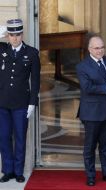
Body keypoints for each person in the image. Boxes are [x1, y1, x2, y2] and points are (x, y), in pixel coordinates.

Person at [76, 35, 106, 186]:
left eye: (102, 47)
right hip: (91, 112)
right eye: (96, 48)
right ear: (89, 49)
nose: (100, 50)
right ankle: (90, 176)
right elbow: (87, 88)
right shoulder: (82, 66)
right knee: (90, 146)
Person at [0, 19, 40, 183]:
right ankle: (7, 170)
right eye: (11, 35)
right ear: (7, 35)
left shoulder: (31, 53)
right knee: (3, 137)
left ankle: (18, 171)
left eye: (17, 34)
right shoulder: (1, 49)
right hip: (2, 102)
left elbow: (35, 80)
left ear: (22, 34)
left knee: (20, 138)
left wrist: (32, 103)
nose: (15, 38)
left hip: (21, 103)